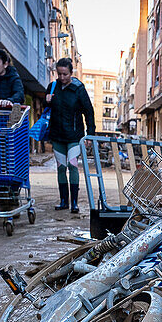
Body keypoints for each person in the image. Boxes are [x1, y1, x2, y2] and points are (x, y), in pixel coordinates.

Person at [46, 57, 95, 213]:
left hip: (75, 136)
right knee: (61, 168)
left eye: (65, 74)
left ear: (71, 73)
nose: (62, 78)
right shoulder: (52, 87)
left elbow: (89, 112)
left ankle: (74, 203)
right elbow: (48, 110)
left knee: (73, 166)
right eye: (59, 74)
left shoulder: (79, 88)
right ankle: (63, 201)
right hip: (57, 135)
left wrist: (90, 134)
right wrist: (47, 100)